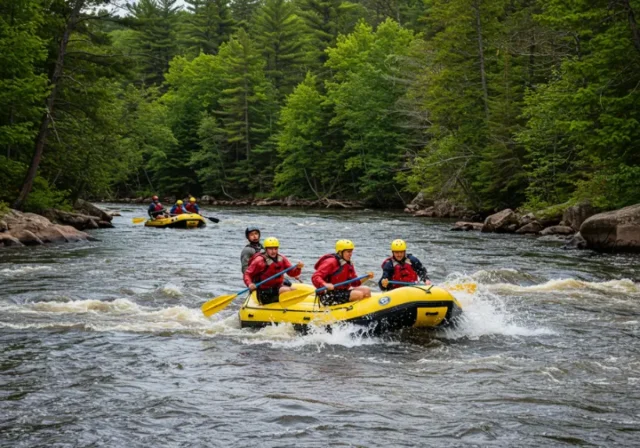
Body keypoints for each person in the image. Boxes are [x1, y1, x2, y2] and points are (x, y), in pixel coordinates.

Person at [312, 239, 373, 306]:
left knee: (366, 290)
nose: (350, 254)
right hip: (328, 295)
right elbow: (315, 277)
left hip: (341, 291)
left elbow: (355, 283)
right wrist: (325, 284)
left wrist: (367, 277)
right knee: (358, 294)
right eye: (348, 252)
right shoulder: (330, 262)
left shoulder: (348, 263)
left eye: (351, 251)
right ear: (340, 252)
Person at [244, 237, 303, 305]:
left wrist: (298, 268)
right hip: (264, 292)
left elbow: (292, 273)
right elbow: (247, 274)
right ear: (266, 249)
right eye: (271, 249)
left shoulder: (282, 258)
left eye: (275, 249)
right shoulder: (259, 260)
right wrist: (250, 284)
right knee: (288, 290)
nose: (274, 251)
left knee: (293, 289)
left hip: (277, 287)